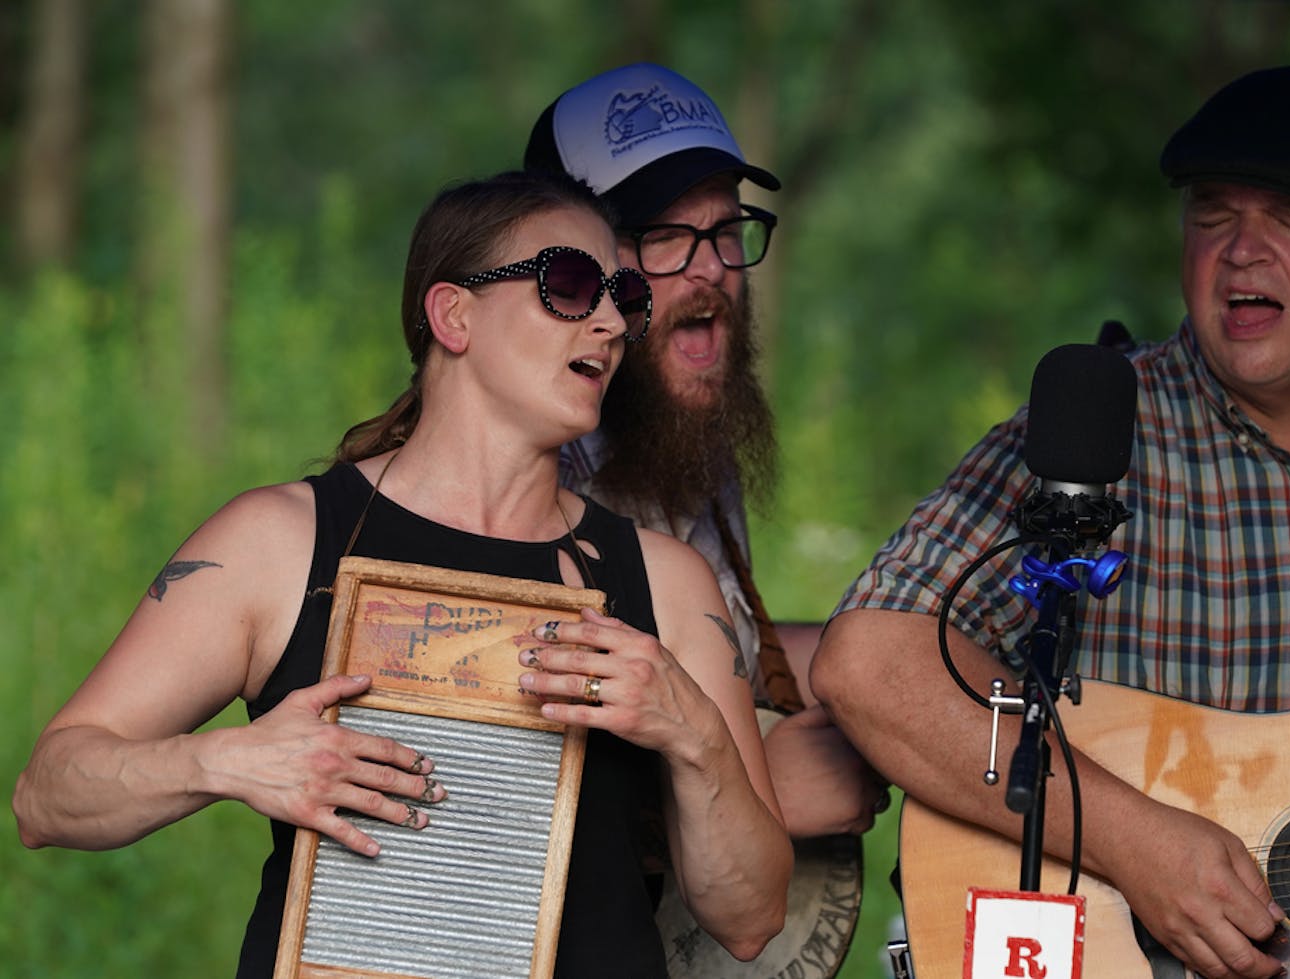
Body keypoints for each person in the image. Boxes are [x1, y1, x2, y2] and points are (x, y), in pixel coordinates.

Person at [12, 170, 791, 977]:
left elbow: (752, 914)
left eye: (622, 296)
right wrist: (225, 761)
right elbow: (47, 794)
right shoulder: (279, 543)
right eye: (568, 284)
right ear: (453, 314)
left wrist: (692, 729)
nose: (608, 320)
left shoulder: (664, 582)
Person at [811, 62, 1290, 979]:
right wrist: (1129, 842)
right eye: (1213, 214)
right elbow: (871, 661)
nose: (1242, 251)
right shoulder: (1099, 424)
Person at [523, 61, 886, 840]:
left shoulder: (678, 432)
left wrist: (894, 664)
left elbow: (710, 645)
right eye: (664, 237)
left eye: (725, 232)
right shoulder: (514, 462)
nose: (713, 267)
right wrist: (752, 794)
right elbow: (483, 772)